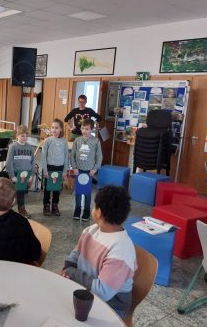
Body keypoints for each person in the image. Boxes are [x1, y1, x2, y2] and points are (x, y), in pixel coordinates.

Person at [60, 186, 136, 319]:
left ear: (99, 212)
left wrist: (71, 272)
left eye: (94, 206)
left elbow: (102, 291)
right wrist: (67, 268)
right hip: (86, 292)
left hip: (111, 306)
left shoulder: (121, 250)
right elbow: (75, 254)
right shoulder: (91, 230)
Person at [71, 119, 103, 221]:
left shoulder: (96, 141)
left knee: (87, 193)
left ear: (91, 129)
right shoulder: (77, 140)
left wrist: (95, 169)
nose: (84, 131)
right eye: (83, 128)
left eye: (87, 129)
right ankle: (77, 209)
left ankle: (86, 211)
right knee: (78, 192)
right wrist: (74, 167)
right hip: (78, 171)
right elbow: (72, 155)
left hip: (89, 171)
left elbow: (99, 157)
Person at [41, 119, 69, 216]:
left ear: (61, 129)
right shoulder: (47, 141)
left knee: (57, 188)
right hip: (49, 168)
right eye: (52, 127)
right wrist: (44, 169)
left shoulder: (64, 141)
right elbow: (43, 156)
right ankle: (46, 205)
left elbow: (66, 157)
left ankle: (55, 205)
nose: (54, 130)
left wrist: (65, 170)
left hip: (60, 168)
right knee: (47, 188)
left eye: (56, 128)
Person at [6, 124, 34, 218]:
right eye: (22, 135)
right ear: (17, 135)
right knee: (12, 193)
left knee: (21, 193)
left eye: (26, 135)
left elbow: (32, 162)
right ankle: (7, 210)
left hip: (25, 175)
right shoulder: (13, 147)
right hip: (16, 174)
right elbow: (9, 162)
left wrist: (31, 175)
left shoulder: (30, 148)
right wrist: (12, 175)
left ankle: (21, 209)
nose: (24, 137)